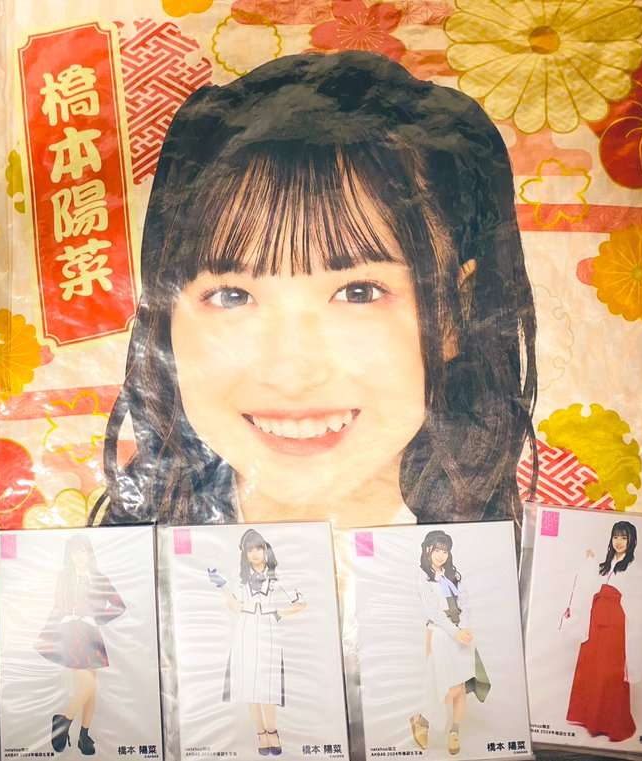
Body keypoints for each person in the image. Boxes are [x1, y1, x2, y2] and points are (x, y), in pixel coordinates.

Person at [91, 51, 537, 528]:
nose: (292, 375)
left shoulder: (543, 556)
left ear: (456, 311)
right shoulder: (114, 562)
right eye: (233, 296)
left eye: (359, 292)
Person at [208, 529, 306, 756]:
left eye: (258, 548)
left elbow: (301, 603)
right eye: (249, 550)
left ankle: (272, 731)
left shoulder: (277, 576)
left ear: (265, 549)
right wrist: (223, 588)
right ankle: (261, 733)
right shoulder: (239, 578)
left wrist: (278, 613)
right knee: (249, 686)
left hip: (270, 633)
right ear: (245, 553)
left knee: (268, 685)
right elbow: (234, 606)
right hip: (245, 631)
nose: (254, 553)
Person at [36, 535, 126, 755]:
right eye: (75, 551)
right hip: (72, 632)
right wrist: (49, 633)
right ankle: (64, 721)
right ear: (70, 555)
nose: (79, 556)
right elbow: (58, 606)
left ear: (89, 553)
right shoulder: (64, 577)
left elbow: (118, 605)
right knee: (88, 685)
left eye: (83, 551)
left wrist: (97, 618)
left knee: (91, 688)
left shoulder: (99, 578)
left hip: (91, 632)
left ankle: (83, 737)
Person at [562, 520, 642, 742]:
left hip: (615, 623)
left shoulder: (634, 569)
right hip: (595, 619)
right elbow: (588, 585)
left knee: (611, 670)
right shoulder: (605, 565)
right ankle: (589, 716)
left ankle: (611, 722)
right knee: (591, 666)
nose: (619, 542)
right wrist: (589, 563)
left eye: (624, 538)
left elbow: (637, 601)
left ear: (632, 541)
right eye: (616, 537)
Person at [410, 530, 489, 755]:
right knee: (446, 687)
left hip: (461, 635)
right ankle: (422, 719)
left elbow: (465, 603)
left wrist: (465, 627)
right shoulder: (422, 577)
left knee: (461, 687)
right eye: (437, 550)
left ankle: (454, 731)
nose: (441, 555)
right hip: (440, 634)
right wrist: (456, 632)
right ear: (428, 549)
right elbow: (433, 612)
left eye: (445, 551)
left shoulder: (453, 575)